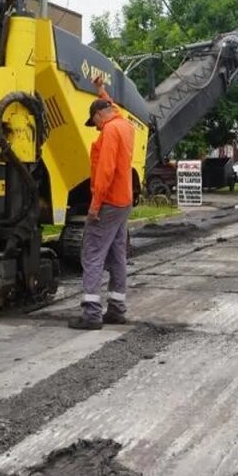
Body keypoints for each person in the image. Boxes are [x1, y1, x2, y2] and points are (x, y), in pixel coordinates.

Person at [70, 78, 135, 330]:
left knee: (92, 254)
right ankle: (117, 309)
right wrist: (100, 90)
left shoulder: (109, 131)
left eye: (94, 123)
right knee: (117, 255)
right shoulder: (123, 123)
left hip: (108, 202)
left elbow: (105, 171)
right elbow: (111, 106)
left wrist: (95, 205)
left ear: (99, 115)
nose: (95, 128)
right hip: (124, 201)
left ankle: (91, 314)